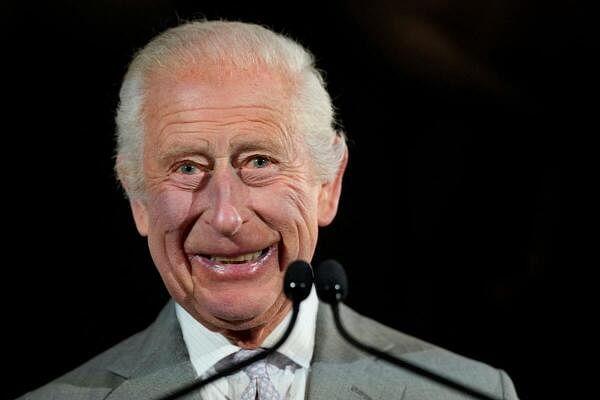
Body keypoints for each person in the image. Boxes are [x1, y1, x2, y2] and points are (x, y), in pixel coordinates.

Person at [18, 20, 519, 400]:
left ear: (328, 184)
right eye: (188, 168)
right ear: (137, 198)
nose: (226, 215)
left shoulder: (465, 392)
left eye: (259, 161)